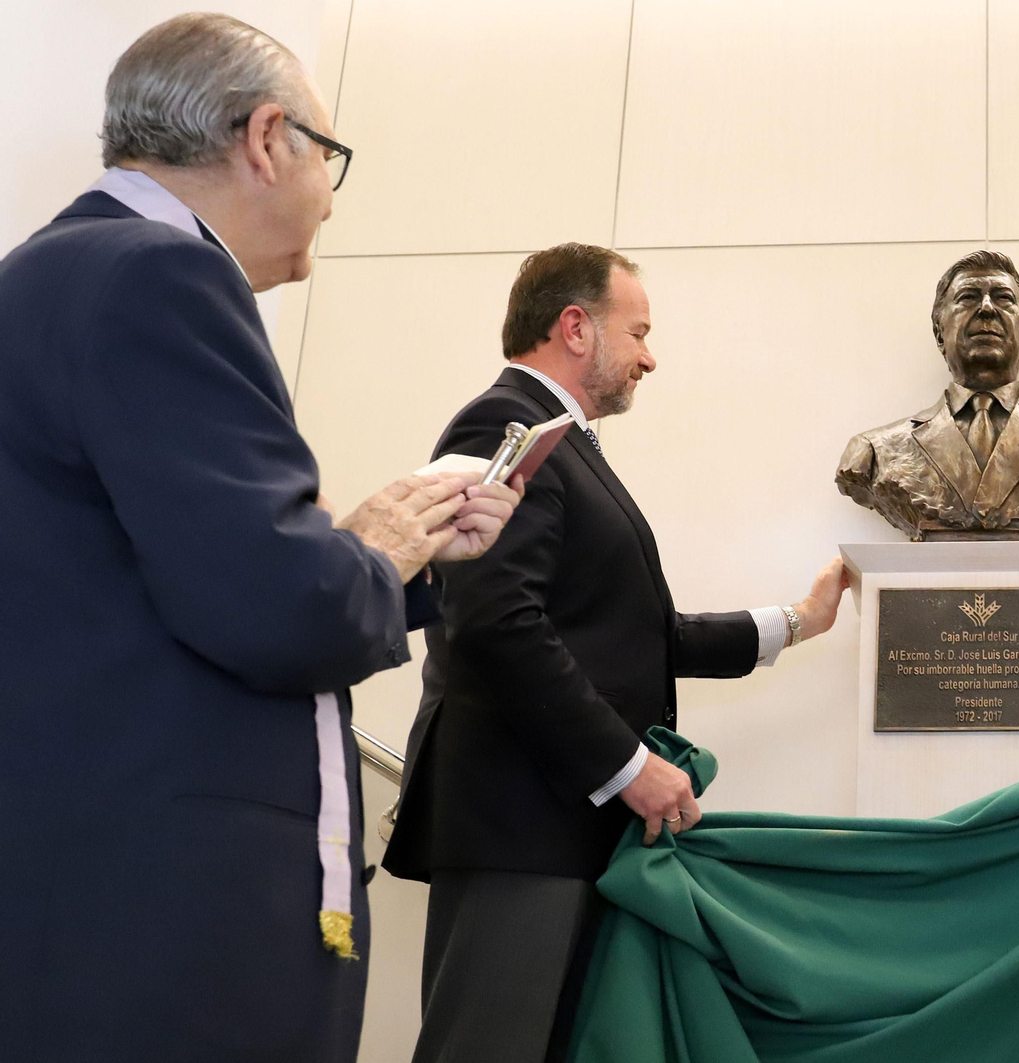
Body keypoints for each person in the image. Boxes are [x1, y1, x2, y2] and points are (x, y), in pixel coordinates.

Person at [0, 15, 520, 1063]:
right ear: (269, 137)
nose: (329, 197)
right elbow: (275, 608)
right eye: (332, 159)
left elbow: (166, 575)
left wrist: (396, 562)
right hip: (166, 907)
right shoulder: (159, 275)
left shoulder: (51, 274)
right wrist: (376, 546)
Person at [382, 243, 850, 1063]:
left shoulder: (566, 443)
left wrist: (798, 621)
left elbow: (642, 634)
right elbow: (496, 621)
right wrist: (629, 766)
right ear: (574, 327)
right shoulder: (506, 424)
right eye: (638, 332)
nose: (649, 356)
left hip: (559, 829)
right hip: (518, 830)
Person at [836, 249, 1019, 539]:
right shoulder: (874, 453)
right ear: (939, 334)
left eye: (1003, 298)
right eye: (968, 298)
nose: (987, 308)